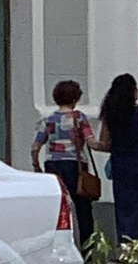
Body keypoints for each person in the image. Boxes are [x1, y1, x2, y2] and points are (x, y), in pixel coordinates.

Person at [96, 71, 138, 243]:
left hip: (121, 167)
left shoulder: (110, 115)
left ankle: (124, 240)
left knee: (123, 206)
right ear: (133, 91)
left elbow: (105, 144)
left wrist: (91, 143)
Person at [31, 78, 96, 246]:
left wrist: (36, 166)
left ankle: (58, 245)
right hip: (76, 167)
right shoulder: (79, 118)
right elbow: (91, 142)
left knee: (59, 208)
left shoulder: (48, 119)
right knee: (83, 209)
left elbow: (35, 147)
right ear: (75, 98)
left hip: (53, 166)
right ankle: (87, 250)